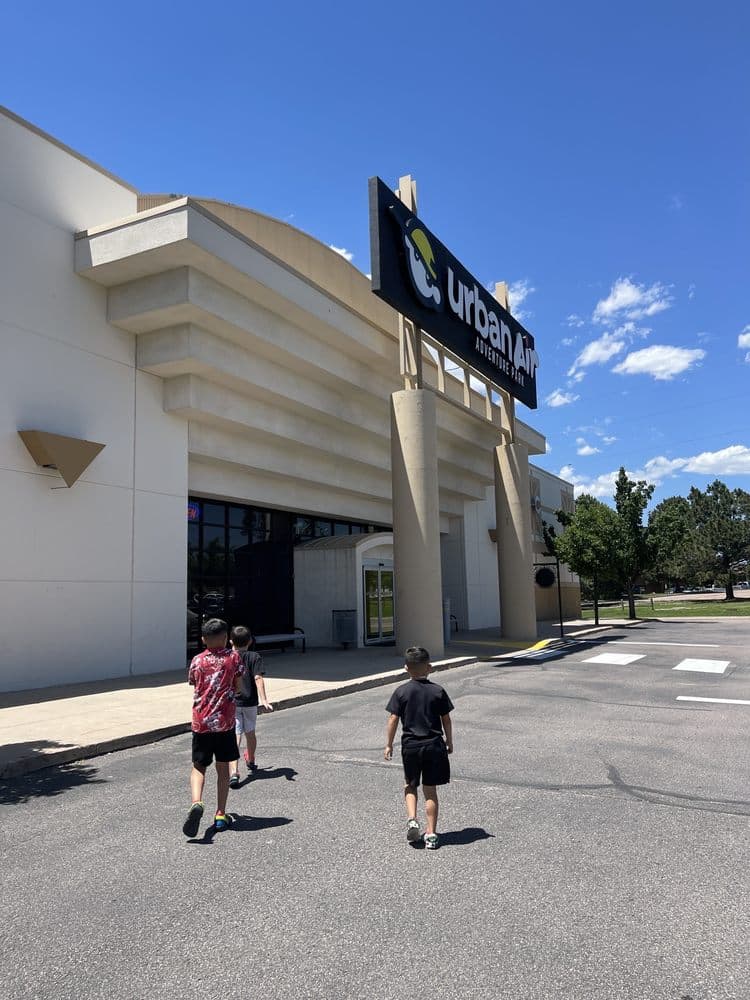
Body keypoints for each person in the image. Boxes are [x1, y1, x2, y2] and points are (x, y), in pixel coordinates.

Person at [384, 646, 454, 850]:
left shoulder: (401, 691)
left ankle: (412, 819)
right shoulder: (438, 691)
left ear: (406, 668)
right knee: (430, 790)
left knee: (410, 784)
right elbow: (446, 719)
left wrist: (388, 744)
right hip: (434, 745)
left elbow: (393, 718)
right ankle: (431, 834)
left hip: (411, 745)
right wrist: (449, 741)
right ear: (429, 667)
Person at [183, 618, 244, 837]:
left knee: (199, 766)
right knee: (222, 768)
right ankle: (220, 813)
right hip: (225, 723)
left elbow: (193, 682)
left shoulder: (197, 660)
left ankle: (197, 802)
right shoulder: (233, 657)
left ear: (203, 639)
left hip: (201, 722)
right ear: (226, 637)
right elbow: (238, 685)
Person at [228, 625, 273, 787]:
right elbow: (258, 678)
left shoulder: (228, 657)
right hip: (250, 702)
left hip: (232, 701)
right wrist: (264, 700)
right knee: (250, 732)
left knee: (236, 733)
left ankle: (233, 770)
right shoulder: (255, 657)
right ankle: (251, 759)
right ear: (250, 641)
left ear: (231, 641)